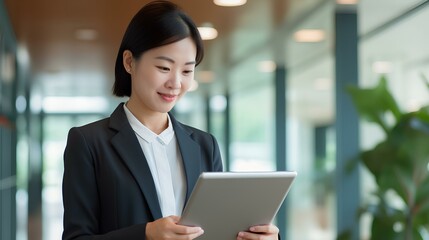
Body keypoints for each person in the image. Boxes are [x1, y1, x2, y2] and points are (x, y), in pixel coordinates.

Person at [62, 1, 280, 239]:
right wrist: (146, 234)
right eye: (164, 68)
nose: (176, 83)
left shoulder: (205, 145)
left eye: (187, 71)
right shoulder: (88, 143)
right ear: (129, 62)